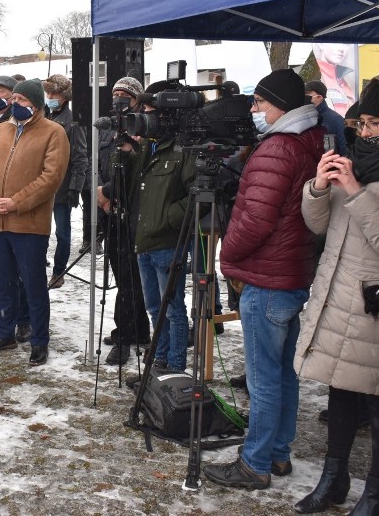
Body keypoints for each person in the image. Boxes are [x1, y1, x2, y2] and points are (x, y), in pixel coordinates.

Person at [292, 72, 379, 516]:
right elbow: (319, 226)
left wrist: (357, 193)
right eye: (361, 124)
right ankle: (333, 477)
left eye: (376, 124)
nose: (365, 132)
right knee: (339, 392)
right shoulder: (354, 160)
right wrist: (319, 188)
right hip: (338, 292)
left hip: (378, 301)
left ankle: (378, 493)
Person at [203, 69, 323, 490]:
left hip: (269, 278)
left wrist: (227, 255)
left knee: (264, 378)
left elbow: (254, 220)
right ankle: (277, 453)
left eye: (260, 103)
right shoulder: (309, 140)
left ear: (279, 105)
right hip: (289, 275)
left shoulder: (279, 149)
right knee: (282, 374)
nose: (254, 111)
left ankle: (255, 462)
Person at [0, 78, 70, 366]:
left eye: (21, 100)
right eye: (12, 99)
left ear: (36, 105)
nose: (14, 104)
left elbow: (50, 178)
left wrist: (16, 202)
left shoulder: (54, 133)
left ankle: (39, 340)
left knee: (33, 285)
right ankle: (5, 333)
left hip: (29, 224)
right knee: (4, 282)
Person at [118, 80, 196, 379]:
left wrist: (167, 218)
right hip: (144, 241)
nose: (144, 116)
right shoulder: (148, 148)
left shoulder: (181, 150)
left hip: (166, 242)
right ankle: (158, 363)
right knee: (154, 308)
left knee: (172, 309)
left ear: (166, 115)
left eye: (149, 111)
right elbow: (126, 184)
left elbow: (195, 194)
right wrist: (125, 149)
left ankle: (173, 369)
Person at [95, 77, 151, 365]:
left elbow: (136, 172)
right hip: (110, 211)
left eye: (125, 95)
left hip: (134, 213)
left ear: (137, 100)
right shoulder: (109, 128)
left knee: (131, 281)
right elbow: (101, 164)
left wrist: (109, 191)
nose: (118, 99)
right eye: (115, 94)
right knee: (122, 275)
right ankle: (138, 329)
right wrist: (102, 193)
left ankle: (125, 336)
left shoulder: (142, 129)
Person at [42, 74, 87, 289]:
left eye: (54, 94)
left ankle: (59, 272)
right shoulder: (43, 116)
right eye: (48, 93)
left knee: (62, 233)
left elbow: (80, 157)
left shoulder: (74, 121)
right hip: (41, 186)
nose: (50, 97)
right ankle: (39, 264)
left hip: (62, 187)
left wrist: (74, 188)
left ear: (65, 97)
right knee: (39, 230)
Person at [305, 80, 347, 155]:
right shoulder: (304, 116)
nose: (304, 97)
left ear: (319, 97)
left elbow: (342, 147)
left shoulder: (334, 119)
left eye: (307, 94)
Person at [313, 43, 356, 116]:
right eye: (335, 43)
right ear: (320, 44)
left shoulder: (346, 80)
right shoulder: (316, 77)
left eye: (346, 44)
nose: (341, 49)